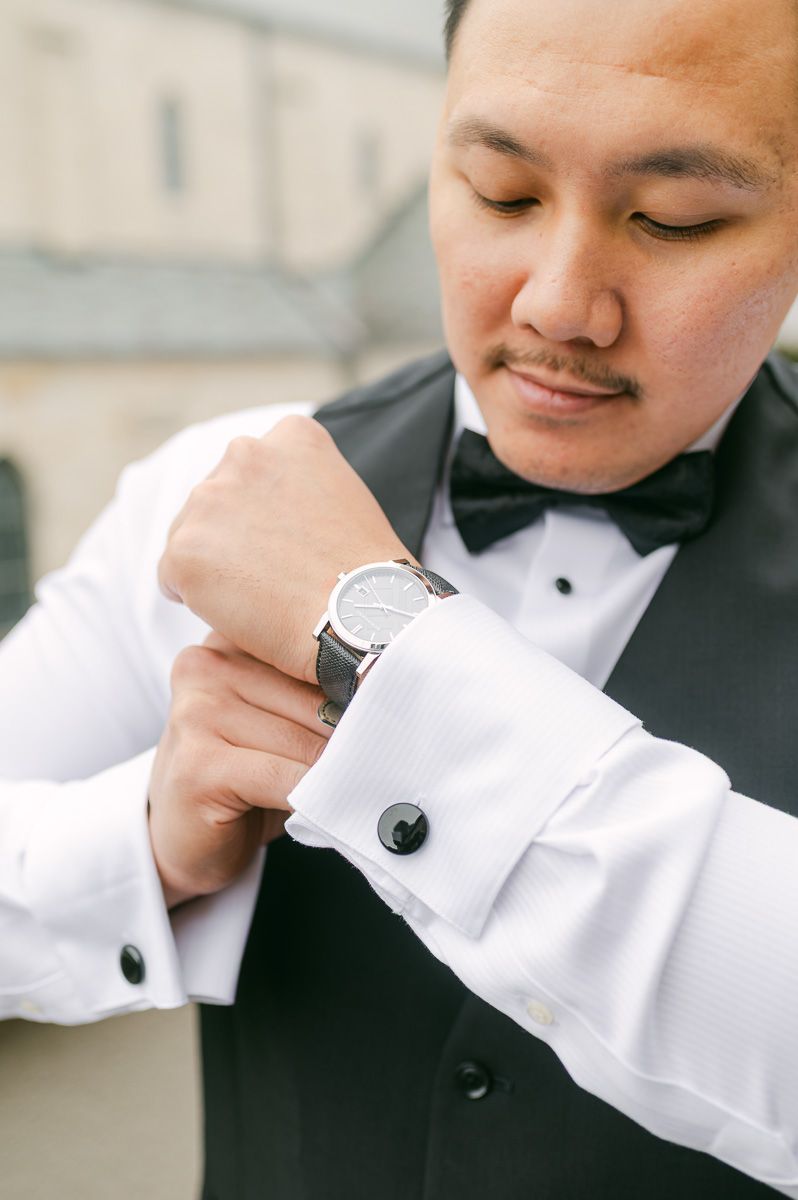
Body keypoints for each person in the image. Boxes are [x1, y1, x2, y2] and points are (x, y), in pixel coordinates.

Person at [2, 0, 798, 1195]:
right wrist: (143, 842)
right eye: (501, 193)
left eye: (672, 219)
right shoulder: (205, 499)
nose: (558, 306)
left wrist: (389, 651)